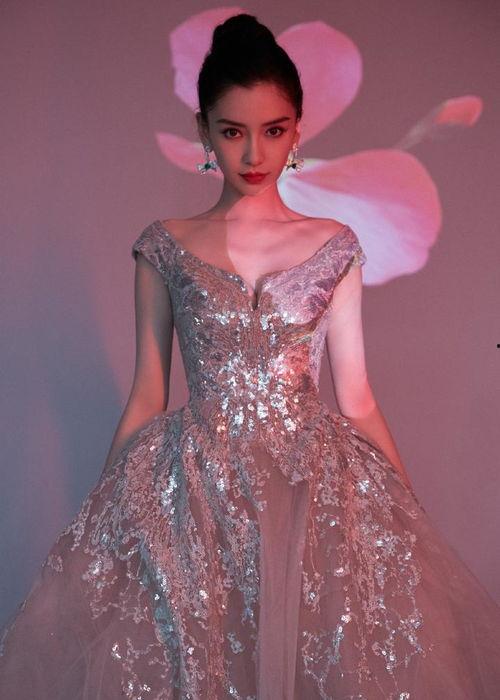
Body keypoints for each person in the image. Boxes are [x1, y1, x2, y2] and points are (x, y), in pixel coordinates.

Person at [1, 12, 500, 700]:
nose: (254, 153)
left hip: (310, 490)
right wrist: (103, 516)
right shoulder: (165, 246)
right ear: (204, 130)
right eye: (233, 131)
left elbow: (356, 396)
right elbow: (148, 393)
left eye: (273, 130)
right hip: (194, 492)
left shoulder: (335, 244)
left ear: (297, 130)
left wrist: (406, 513)